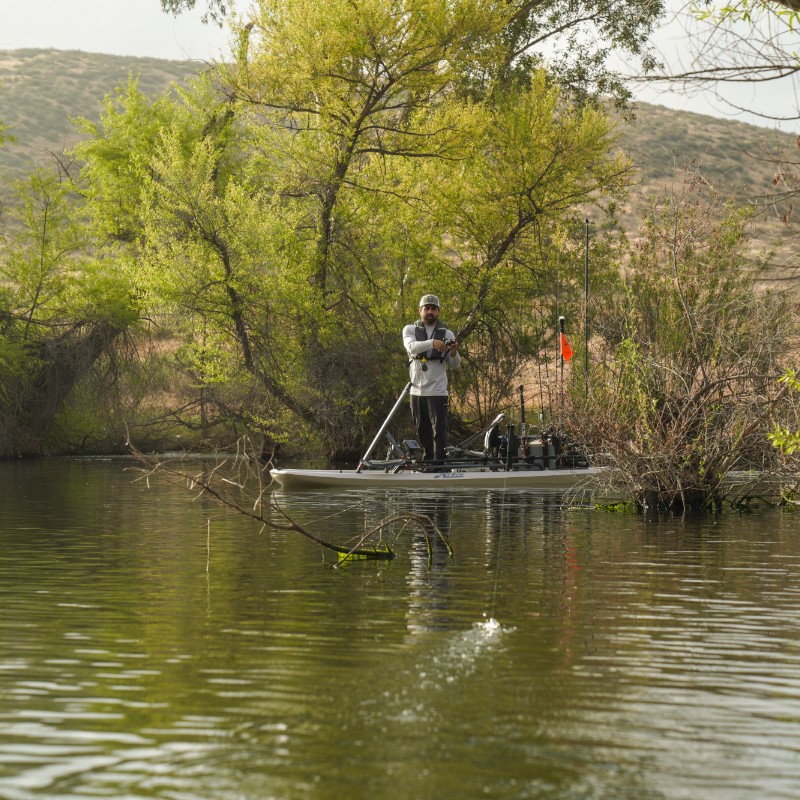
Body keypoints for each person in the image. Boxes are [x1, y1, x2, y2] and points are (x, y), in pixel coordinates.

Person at [402, 294, 461, 462]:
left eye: (433, 309)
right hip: (417, 390)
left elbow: (455, 364)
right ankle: (427, 464)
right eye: (426, 308)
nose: (430, 312)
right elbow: (412, 348)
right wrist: (433, 343)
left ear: (438, 312)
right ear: (420, 311)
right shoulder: (409, 330)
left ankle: (440, 464)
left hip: (437, 389)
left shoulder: (447, 333)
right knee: (422, 430)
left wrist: (454, 351)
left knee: (439, 430)